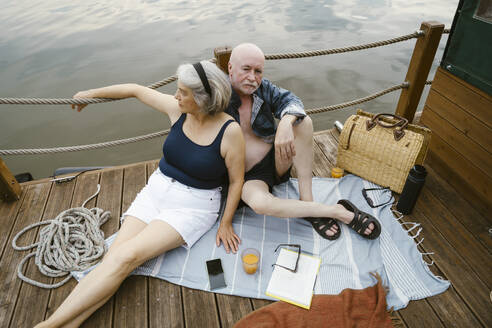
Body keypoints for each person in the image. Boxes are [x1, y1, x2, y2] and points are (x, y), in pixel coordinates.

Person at [35, 61, 245, 328]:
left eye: (182, 92)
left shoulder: (230, 132)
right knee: (113, 260)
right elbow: (134, 90)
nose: (176, 96)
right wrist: (89, 94)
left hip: (193, 206)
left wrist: (225, 222)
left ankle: (48, 325)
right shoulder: (177, 109)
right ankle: (69, 323)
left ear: (202, 98)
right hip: (156, 192)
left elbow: (237, 180)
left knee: (125, 257)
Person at [225, 43, 381, 240]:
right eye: (246, 69)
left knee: (303, 122)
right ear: (230, 67)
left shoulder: (264, 89)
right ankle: (336, 211)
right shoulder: (216, 95)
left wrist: (285, 123)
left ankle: (306, 199)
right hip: (248, 177)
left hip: (277, 160)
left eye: (258, 71)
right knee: (260, 204)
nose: (252, 77)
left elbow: (293, 102)